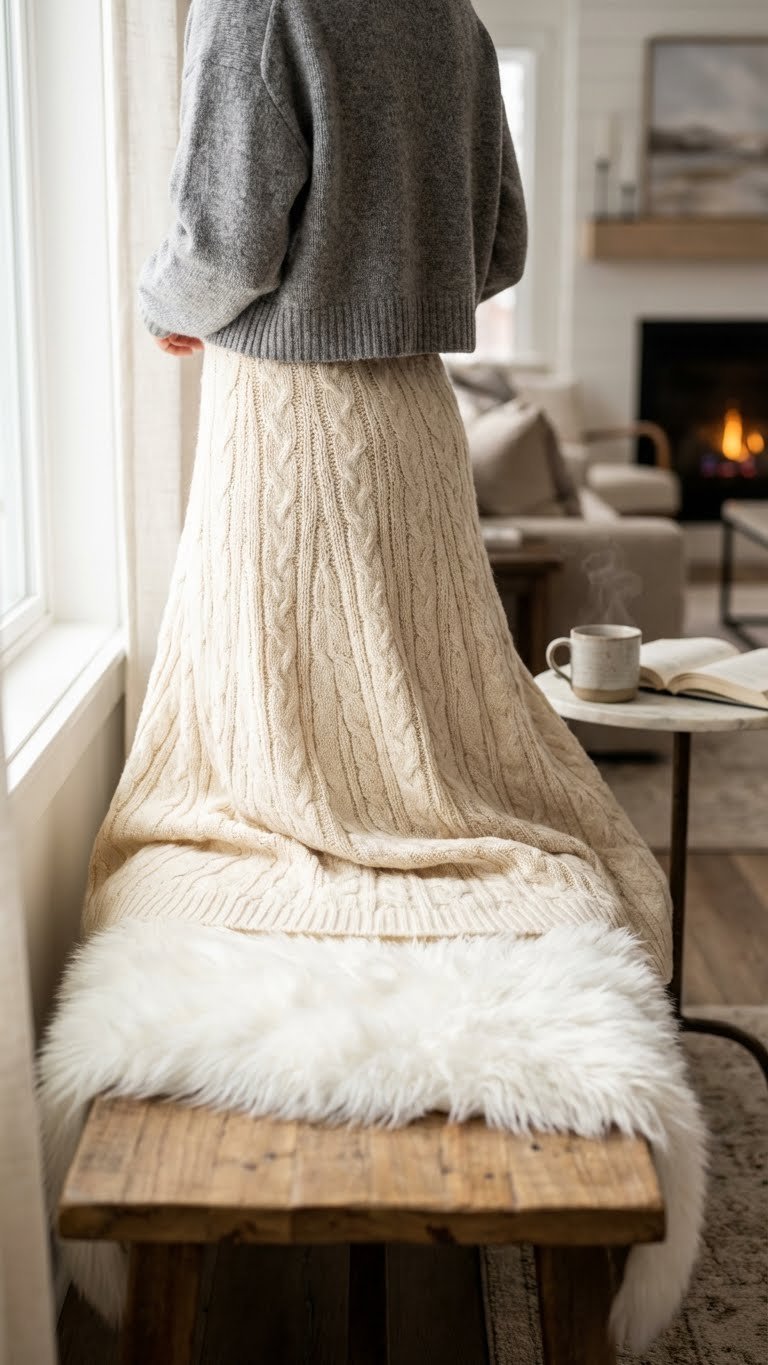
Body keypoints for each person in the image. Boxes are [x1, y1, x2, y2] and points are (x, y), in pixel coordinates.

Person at [37, 8, 706, 1344]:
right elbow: (500, 238)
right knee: (422, 699)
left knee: (281, 697)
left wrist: (163, 310)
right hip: (415, 420)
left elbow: (227, 240)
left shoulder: (260, 2)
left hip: (284, 412)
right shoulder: (447, 14)